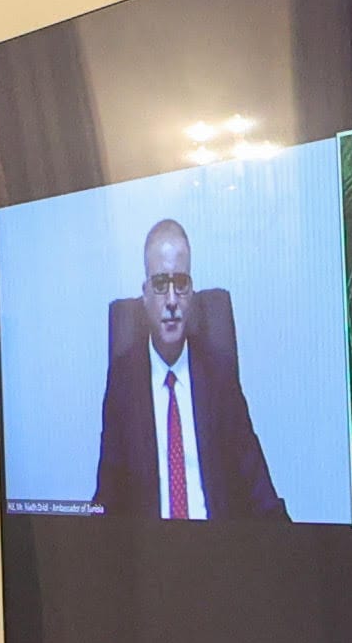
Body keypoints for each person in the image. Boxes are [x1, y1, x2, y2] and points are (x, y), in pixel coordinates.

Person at [91, 216, 289, 519]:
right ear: (144, 294)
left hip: (216, 552)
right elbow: (108, 496)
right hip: (151, 557)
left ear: (192, 293)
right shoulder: (123, 380)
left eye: (180, 284)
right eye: (160, 285)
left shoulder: (219, 374)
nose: (171, 300)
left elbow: (259, 488)